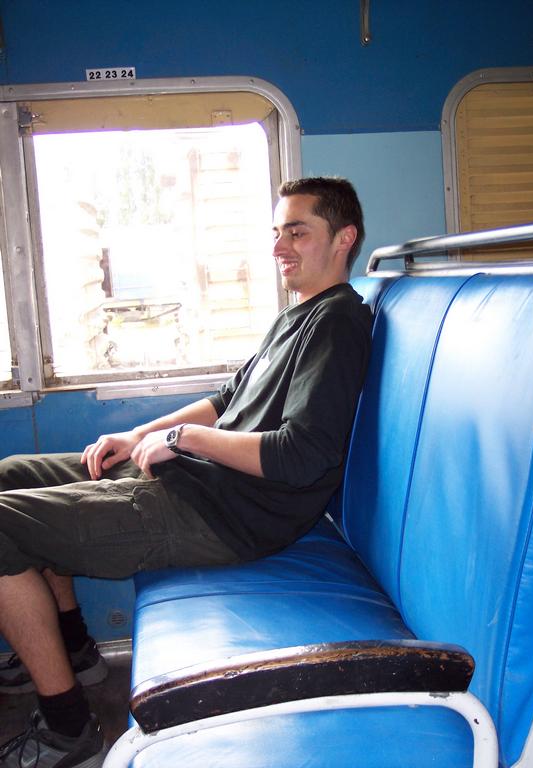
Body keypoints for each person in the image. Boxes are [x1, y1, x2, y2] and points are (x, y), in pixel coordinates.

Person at [0, 177, 372, 767]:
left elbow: (300, 456)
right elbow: (225, 400)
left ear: (344, 238)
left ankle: (69, 729)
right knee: (12, 473)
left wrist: (182, 440)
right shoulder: (296, 316)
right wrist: (138, 435)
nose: (279, 247)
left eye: (298, 232)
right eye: (277, 232)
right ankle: (72, 649)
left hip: (221, 515)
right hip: (193, 480)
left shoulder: (339, 324)